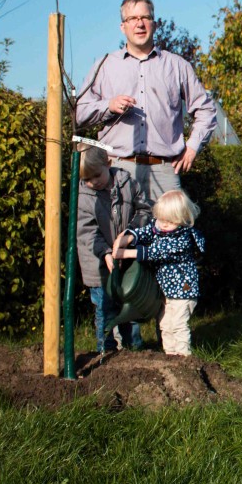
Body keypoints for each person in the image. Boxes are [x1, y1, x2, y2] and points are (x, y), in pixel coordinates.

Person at [75, 0, 218, 204]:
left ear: (154, 23)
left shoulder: (177, 66)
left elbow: (206, 110)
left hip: (164, 171)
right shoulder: (104, 65)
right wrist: (108, 105)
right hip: (116, 169)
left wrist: (192, 147)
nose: (139, 24)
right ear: (123, 27)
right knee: (119, 236)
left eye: (145, 18)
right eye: (132, 19)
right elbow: (79, 113)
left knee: (171, 234)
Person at [76, 145, 151, 352]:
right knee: (105, 309)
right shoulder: (83, 195)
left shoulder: (127, 183)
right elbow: (86, 230)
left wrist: (130, 234)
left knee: (130, 305)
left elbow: (144, 210)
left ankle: (133, 348)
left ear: (108, 164)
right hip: (98, 265)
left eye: (96, 175)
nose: (92, 182)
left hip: (127, 260)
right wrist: (106, 253)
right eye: (87, 179)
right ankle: (105, 351)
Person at [113, 189, 205, 357]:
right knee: (165, 323)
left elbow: (156, 251)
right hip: (167, 291)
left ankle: (184, 358)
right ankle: (170, 355)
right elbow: (148, 231)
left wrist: (126, 253)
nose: (163, 224)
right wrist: (129, 237)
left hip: (183, 290)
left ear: (182, 218)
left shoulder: (182, 238)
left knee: (178, 324)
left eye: (169, 221)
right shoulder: (160, 227)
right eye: (161, 218)